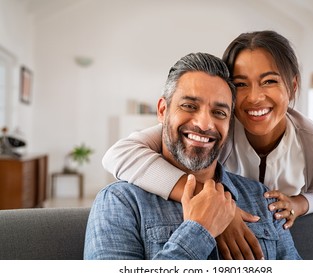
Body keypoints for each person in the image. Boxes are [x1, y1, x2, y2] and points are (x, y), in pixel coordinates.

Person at [102, 31, 313, 259]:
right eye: (241, 84)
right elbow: (119, 154)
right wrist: (211, 211)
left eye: (269, 81)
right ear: (163, 110)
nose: (254, 97)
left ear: (292, 86)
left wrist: (298, 204)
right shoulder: (122, 202)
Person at [84, 52, 301, 260]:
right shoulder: (120, 202)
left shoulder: (261, 199)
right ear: (162, 111)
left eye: (219, 113)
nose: (204, 124)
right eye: (189, 106)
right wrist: (199, 231)